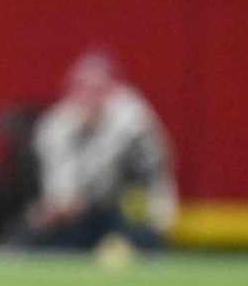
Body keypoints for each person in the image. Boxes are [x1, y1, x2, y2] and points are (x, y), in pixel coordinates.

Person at [24, 51, 177, 252]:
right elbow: (60, 193)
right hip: (78, 218)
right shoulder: (55, 126)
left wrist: (158, 221)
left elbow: (154, 176)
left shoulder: (133, 122)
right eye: (83, 89)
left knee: (145, 242)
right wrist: (60, 204)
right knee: (51, 244)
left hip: (122, 210)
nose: (90, 97)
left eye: (98, 90)